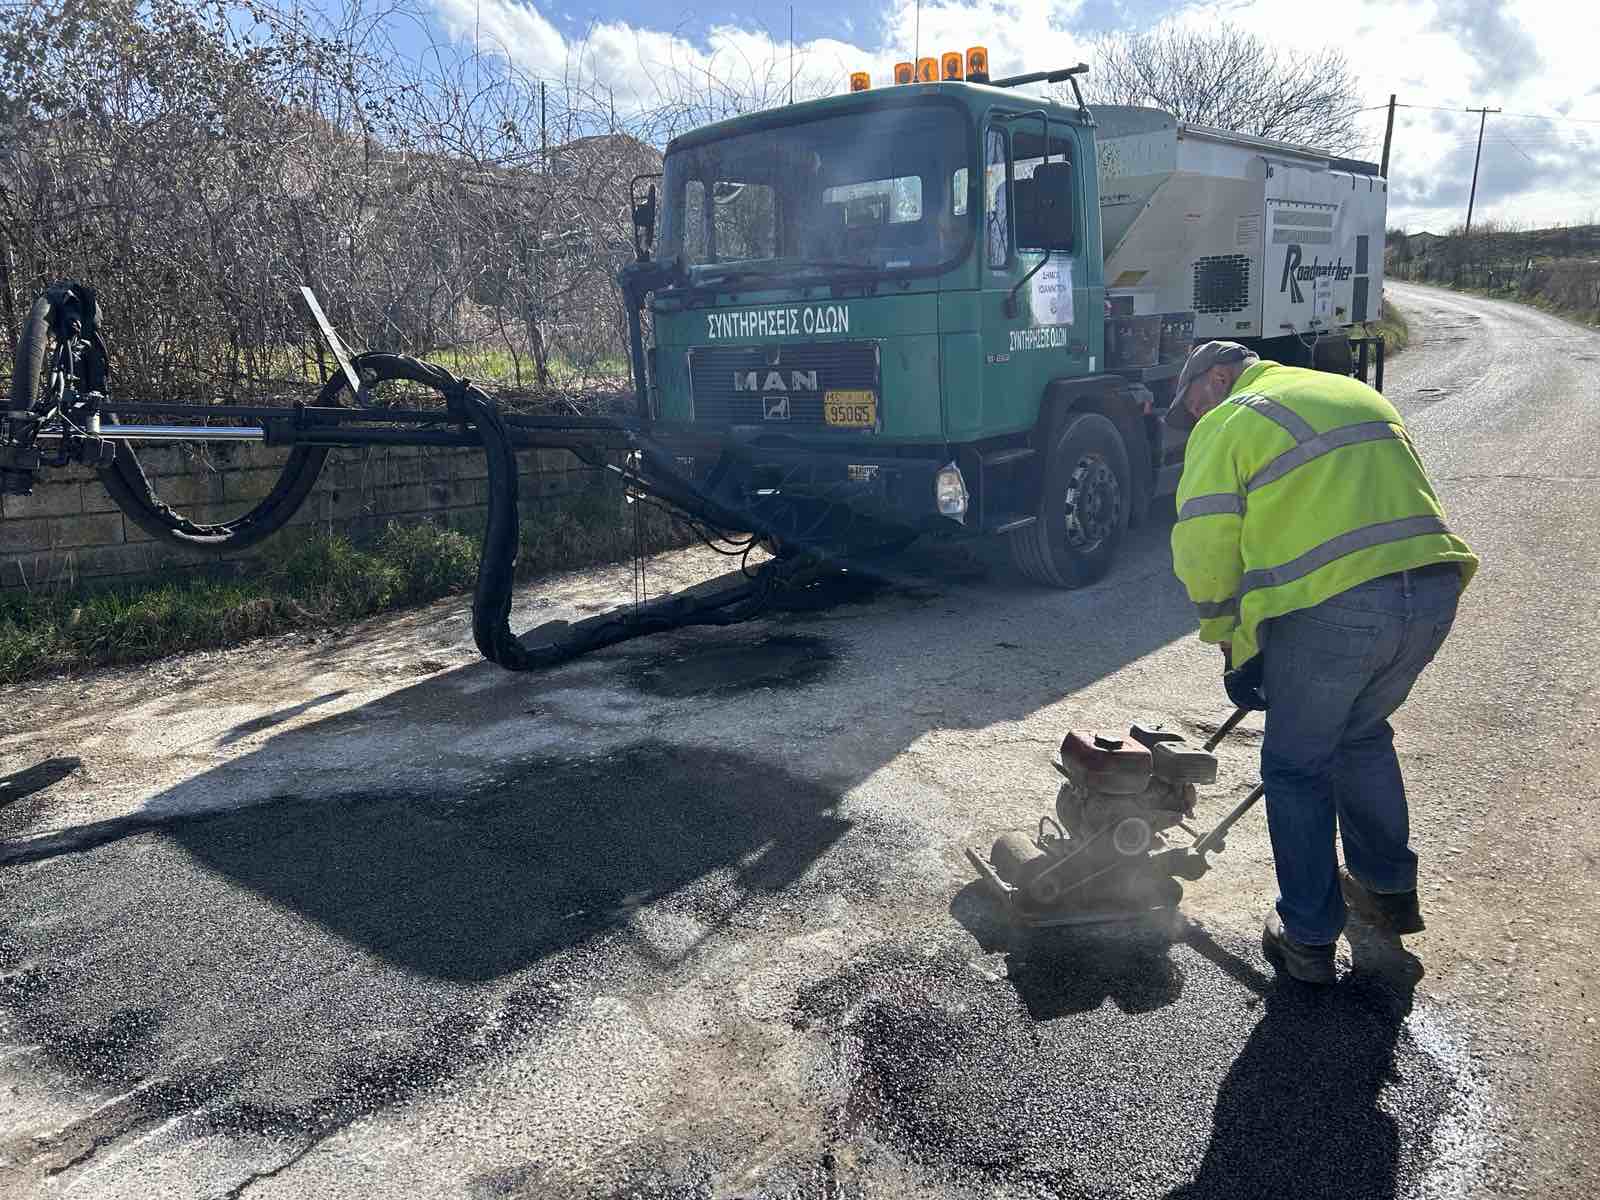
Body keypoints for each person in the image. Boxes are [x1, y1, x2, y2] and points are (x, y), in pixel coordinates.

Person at [1166, 341, 1478, 985]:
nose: (1194, 419)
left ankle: (1307, 936)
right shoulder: (1353, 393)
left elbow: (1204, 545)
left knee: (1295, 764)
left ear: (1218, 378)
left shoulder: (1231, 418)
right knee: (1360, 735)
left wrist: (1230, 640)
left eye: (1193, 404)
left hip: (1340, 611)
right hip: (1434, 594)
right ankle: (1388, 892)